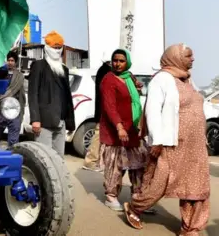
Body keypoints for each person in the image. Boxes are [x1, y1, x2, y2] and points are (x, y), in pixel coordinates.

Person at [124, 44, 210, 234]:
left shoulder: (187, 80)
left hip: (194, 146)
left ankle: (190, 228)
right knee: (160, 182)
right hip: (172, 144)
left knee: (195, 187)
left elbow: (196, 109)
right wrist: (157, 140)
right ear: (175, 58)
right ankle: (135, 207)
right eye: (189, 55)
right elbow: (152, 111)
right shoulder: (162, 80)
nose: (193, 59)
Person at [99, 49, 147, 211]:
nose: (118, 64)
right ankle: (111, 196)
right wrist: (119, 127)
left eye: (121, 60)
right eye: (115, 60)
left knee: (139, 165)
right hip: (115, 131)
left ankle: (139, 198)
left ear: (127, 62)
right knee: (115, 165)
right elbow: (110, 107)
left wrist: (136, 88)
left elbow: (134, 100)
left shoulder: (129, 78)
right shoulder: (108, 80)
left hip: (132, 129)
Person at [27, 30, 75, 156]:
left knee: (59, 157)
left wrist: (69, 121)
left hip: (61, 121)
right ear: (47, 48)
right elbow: (33, 94)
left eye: (59, 48)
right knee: (44, 157)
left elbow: (67, 96)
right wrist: (35, 119)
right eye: (54, 48)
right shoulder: (39, 66)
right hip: (44, 121)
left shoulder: (63, 68)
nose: (57, 50)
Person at [82, 50, 112, 172]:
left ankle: (98, 161)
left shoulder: (103, 71)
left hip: (104, 110)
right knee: (98, 136)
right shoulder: (106, 72)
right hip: (104, 111)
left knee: (102, 137)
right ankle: (90, 161)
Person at [0, 51, 26, 147]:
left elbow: (22, 96)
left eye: (12, 60)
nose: (10, 62)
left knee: (13, 141)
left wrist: (20, 114)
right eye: (8, 60)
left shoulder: (19, 76)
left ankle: (11, 159)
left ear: (15, 62)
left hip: (13, 112)